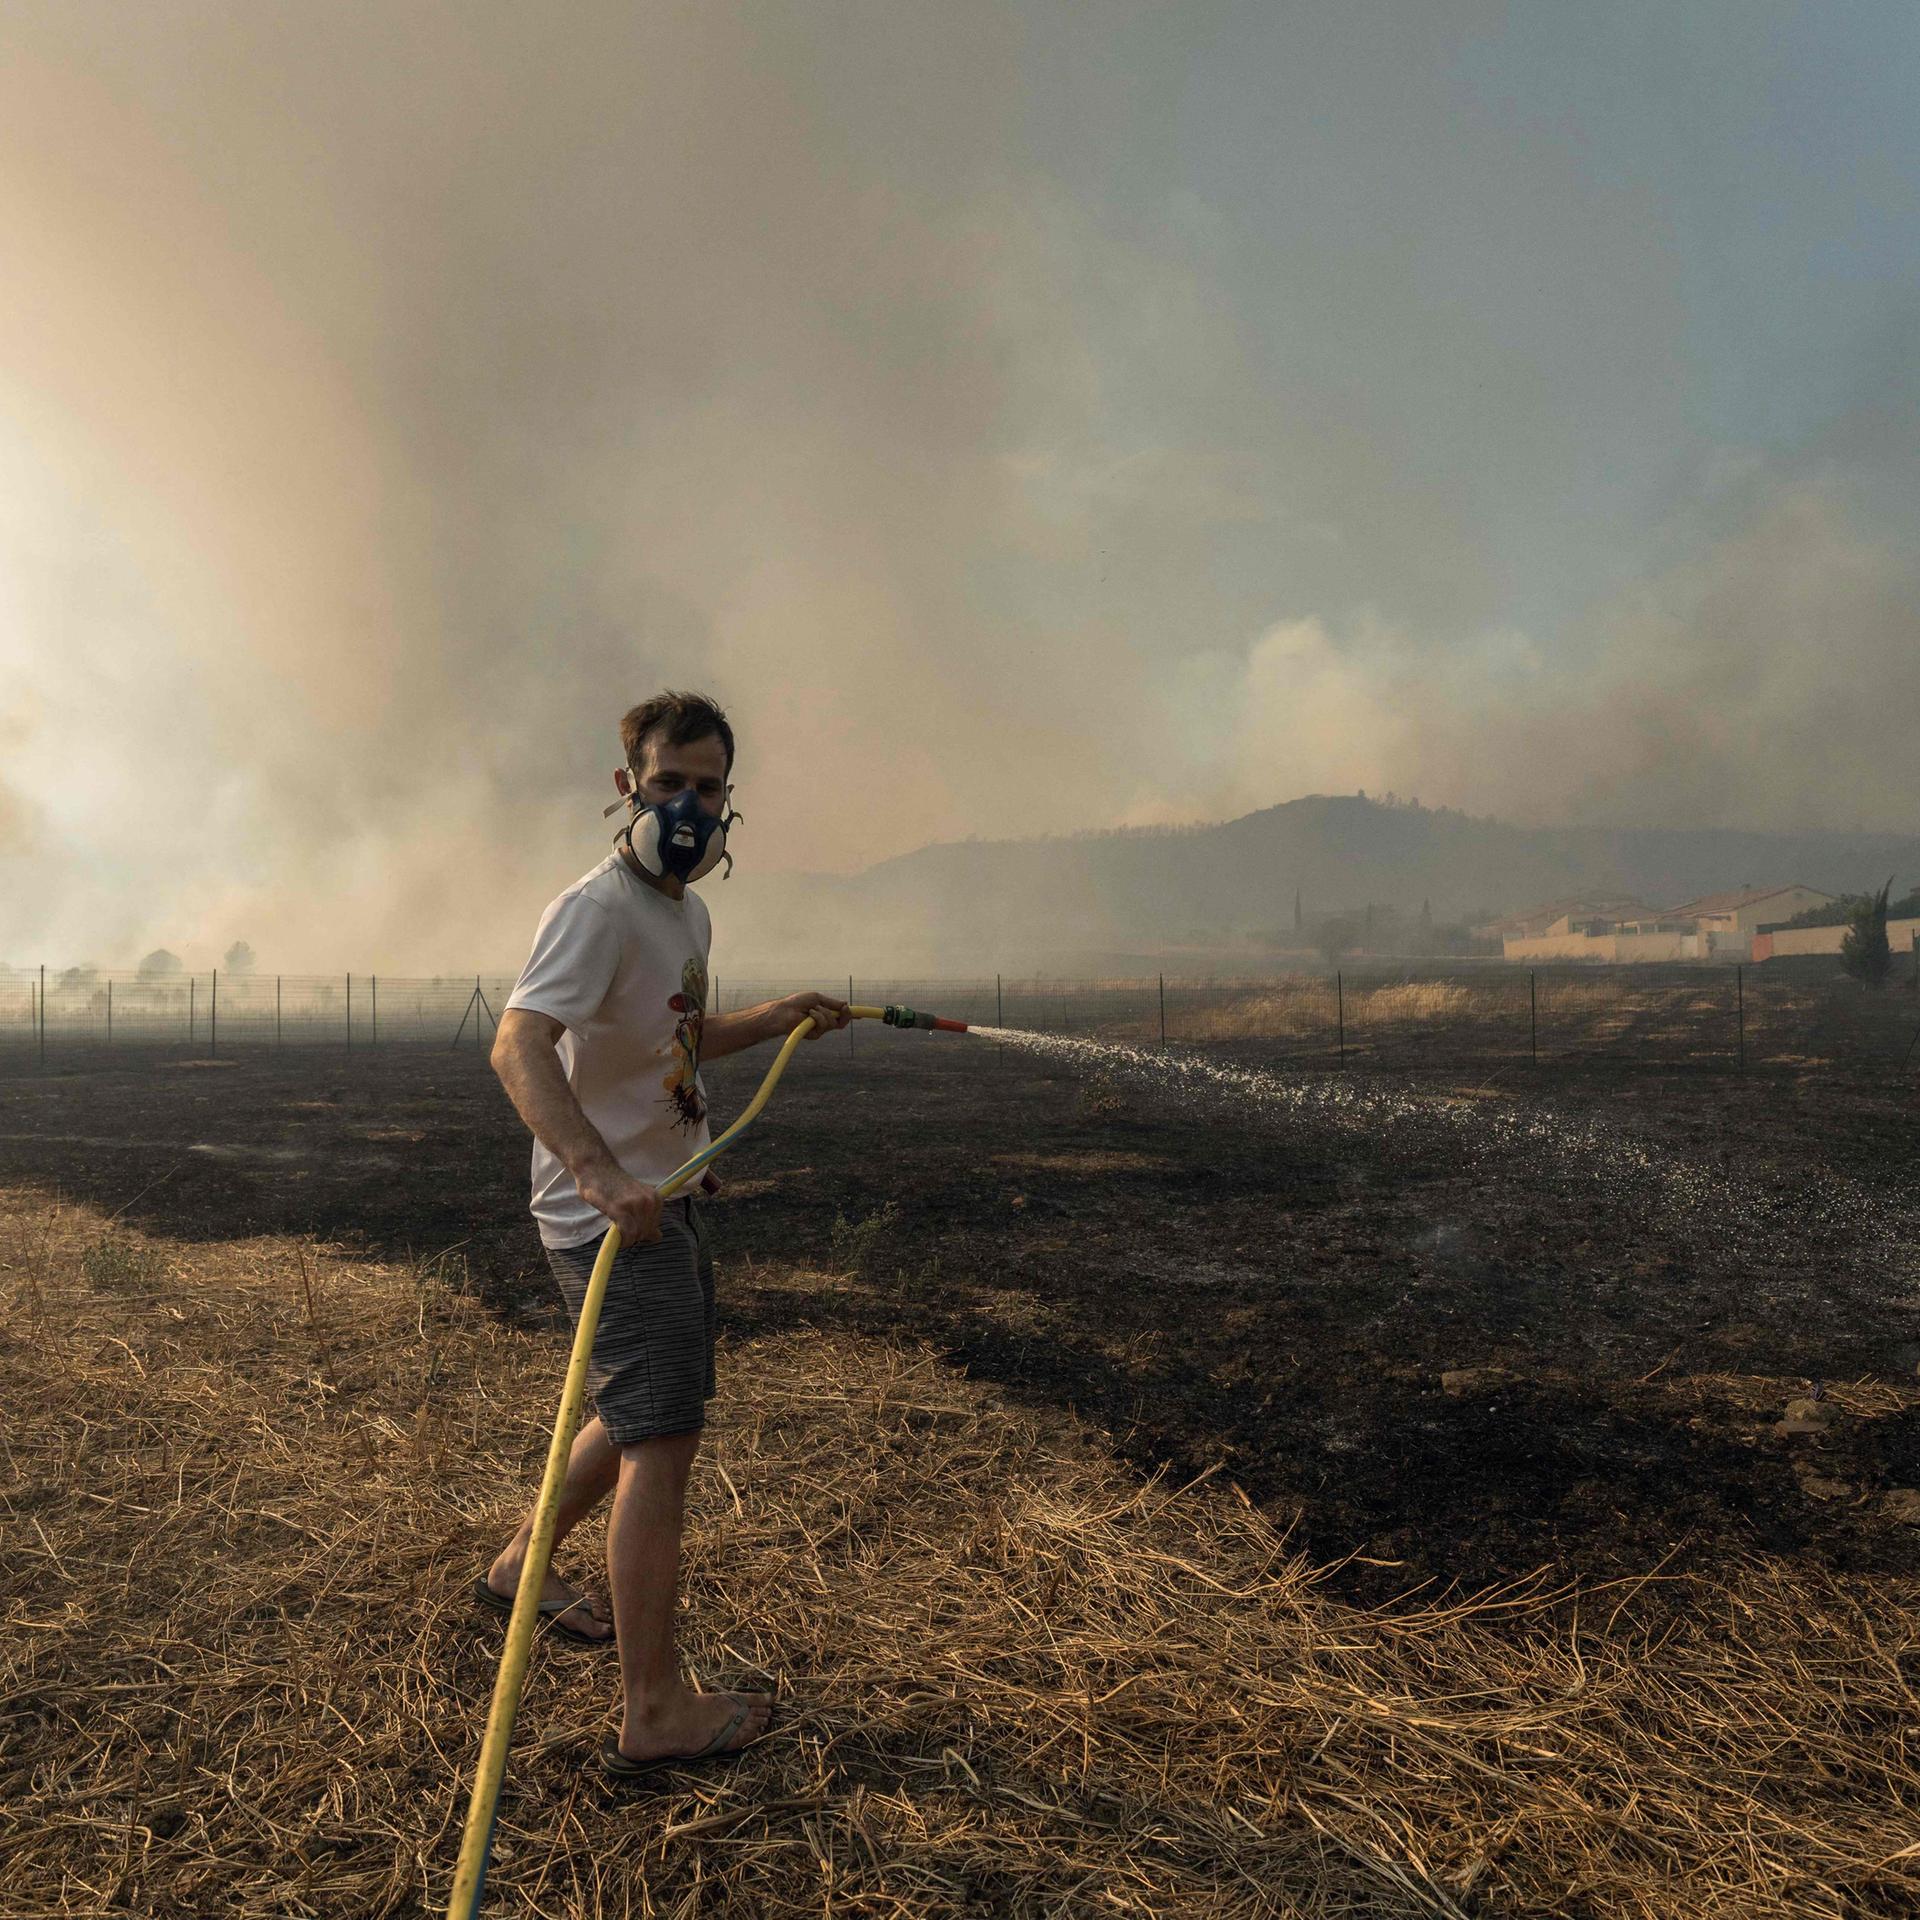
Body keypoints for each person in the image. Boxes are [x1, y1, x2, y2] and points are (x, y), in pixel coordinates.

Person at [478, 689, 850, 1776]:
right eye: (668, 784)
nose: (689, 806)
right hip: (610, 1221)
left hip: (665, 1196)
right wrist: (598, 1173)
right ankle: (653, 1710)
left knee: (640, 1408)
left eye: (708, 787)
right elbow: (517, 1044)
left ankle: (521, 1564)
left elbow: (669, 1038)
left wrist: (771, 1021)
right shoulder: (595, 910)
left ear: (730, 797)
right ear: (626, 788)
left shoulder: (686, 915)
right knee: (662, 1440)